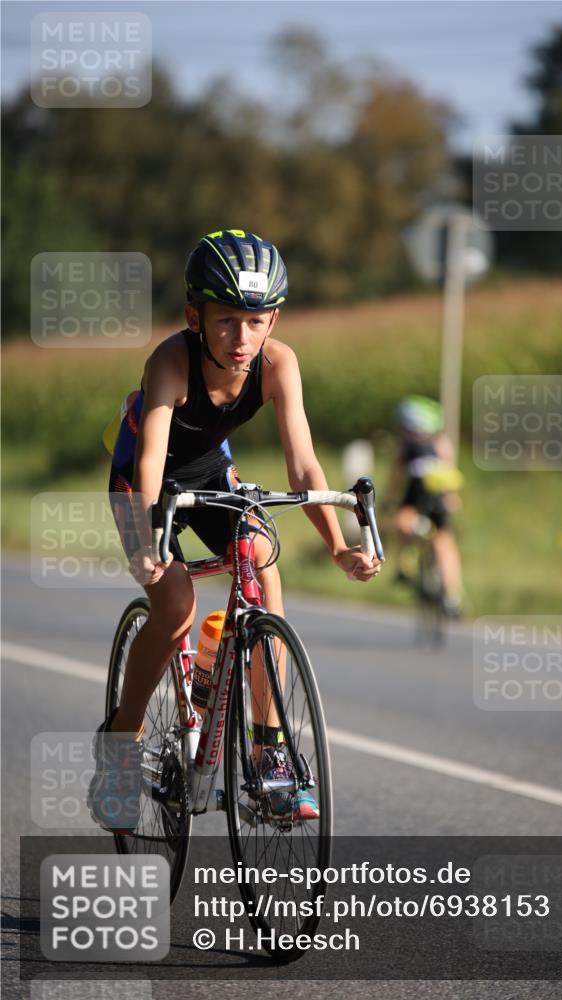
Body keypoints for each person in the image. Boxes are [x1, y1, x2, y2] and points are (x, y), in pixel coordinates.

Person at [88, 228, 382, 831]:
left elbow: (303, 464)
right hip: (144, 474)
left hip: (208, 471)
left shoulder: (278, 363)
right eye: (226, 321)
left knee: (262, 562)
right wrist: (148, 542)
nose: (242, 338)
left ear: (273, 320)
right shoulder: (170, 360)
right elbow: (150, 463)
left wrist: (337, 546)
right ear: (194, 315)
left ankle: (268, 749)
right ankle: (121, 741)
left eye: (257, 321)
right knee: (175, 604)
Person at [390, 395, 463, 617]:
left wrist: (388, 500)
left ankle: (405, 565)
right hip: (440, 494)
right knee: (444, 542)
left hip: (417, 492)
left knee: (403, 521)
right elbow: (449, 470)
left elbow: (396, 477)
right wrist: (452, 496)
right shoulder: (442, 444)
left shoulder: (406, 446)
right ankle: (452, 595)